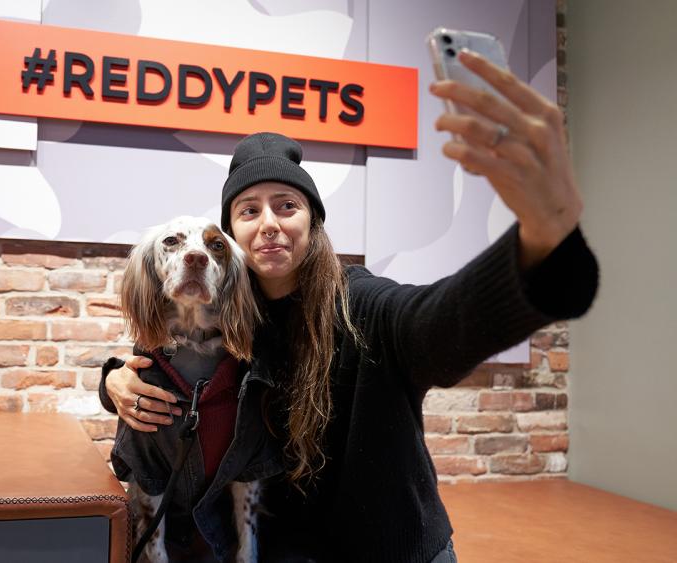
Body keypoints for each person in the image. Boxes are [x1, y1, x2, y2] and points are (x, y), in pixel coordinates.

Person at [100, 50, 599, 562]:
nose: (268, 222)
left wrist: (543, 242)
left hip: (394, 549)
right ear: (235, 236)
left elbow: (433, 323)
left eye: (286, 206)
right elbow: (170, 363)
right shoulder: (235, 321)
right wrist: (113, 377)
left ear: (312, 222)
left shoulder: (359, 304)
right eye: (249, 210)